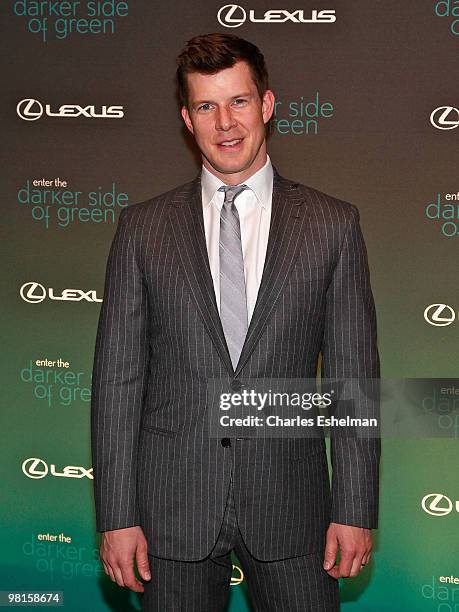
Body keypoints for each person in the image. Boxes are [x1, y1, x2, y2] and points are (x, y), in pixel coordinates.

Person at [90, 32, 380, 611]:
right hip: (171, 511)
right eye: (206, 106)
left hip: (294, 511)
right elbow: (118, 382)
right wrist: (117, 514)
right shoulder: (142, 229)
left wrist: (354, 507)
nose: (225, 122)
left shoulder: (332, 225)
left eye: (239, 101)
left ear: (267, 106)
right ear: (186, 119)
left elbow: (354, 382)